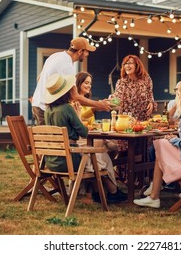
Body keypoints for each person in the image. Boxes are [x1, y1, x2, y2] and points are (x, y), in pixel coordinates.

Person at [43, 73, 126, 203]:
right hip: (69, 161)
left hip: (52, 161)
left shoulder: (48, 110)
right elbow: (83, 132)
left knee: (98, 157)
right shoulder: (67, 108)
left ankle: (100, 193)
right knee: (102, 158)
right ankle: (113, 192)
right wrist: (78, 116)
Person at [32, 37, 110, 125]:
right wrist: (99, 104)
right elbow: (75, 96)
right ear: (80, 51)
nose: (87, 54)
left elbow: (39, 78)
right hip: (45, 108)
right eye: (87, 51)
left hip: (37, 104)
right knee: (52, 138)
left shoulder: (56, 55)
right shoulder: (66, 65)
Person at [112, 54, 156, 151]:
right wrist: (110, 100)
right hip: (126, 121)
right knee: (126, 151)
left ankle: (145, 166)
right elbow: (117, 99)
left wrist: (152, 103)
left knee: (143, 150)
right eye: (125, 64)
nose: (127, 66)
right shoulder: (121, 82)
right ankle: (125, 166)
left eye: (130, 63)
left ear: (137, 65)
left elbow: (150, 95)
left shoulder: (146, 79)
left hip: (142, 120)